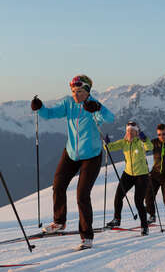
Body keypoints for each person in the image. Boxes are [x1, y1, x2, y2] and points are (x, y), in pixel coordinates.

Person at [31, 75, 114, 250]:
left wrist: (98, 108)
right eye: (74, 91)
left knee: (82, 195)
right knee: (58, 184)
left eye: (80, 91)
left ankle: (86, 237)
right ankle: (59, 222)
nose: (76, 94)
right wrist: (40, 108)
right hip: (71, 152)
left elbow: (109, 118)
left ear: (87, 91)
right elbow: (50, 114)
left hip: (91, 155)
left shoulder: (92, 105)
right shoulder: (68, 103)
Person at [105, 121, 153, 235]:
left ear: (137, 132)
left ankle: (144, 226)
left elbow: (149, 147)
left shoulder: (141, 142)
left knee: (138, 202)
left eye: (132, 131)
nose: (129, 133)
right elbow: (109, 148)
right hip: (128, 174)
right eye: (128, 131)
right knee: (118, 197)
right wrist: (105, 143)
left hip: (142, 175)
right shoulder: (124, 142)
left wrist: (145, 139)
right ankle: (117, 219)